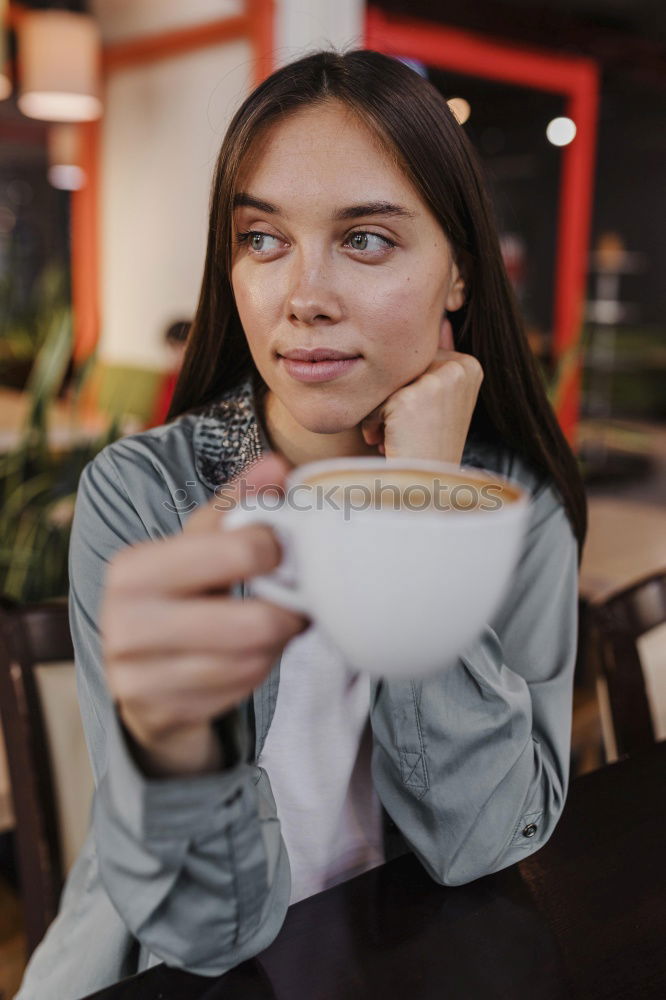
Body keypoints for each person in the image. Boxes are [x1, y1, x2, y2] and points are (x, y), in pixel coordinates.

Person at [17, 50, 586, 999]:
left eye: (365, 239)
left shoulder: (516, 516)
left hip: (416, 955)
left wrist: (420, 503)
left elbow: (483, 843)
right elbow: (206, 923)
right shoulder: (147, 500)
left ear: (459, 278)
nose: (302, 298)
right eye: (263, 240)